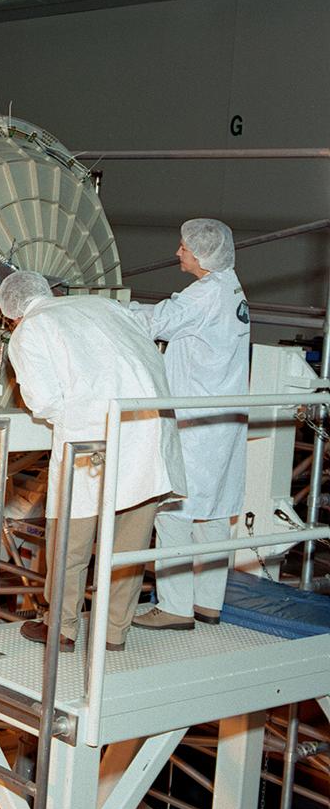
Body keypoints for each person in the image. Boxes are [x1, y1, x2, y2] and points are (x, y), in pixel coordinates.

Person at [0, 272, 186, 653]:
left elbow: (43, 401)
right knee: (130, 545)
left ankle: (62, 628)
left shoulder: (30, 330)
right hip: (152, 431)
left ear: (10, 316)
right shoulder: (106, 306)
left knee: (70, 541)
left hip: (93, 439)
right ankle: (114, 633)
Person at [130, 219, 249, 631]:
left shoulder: (203, 295)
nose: (178, 253)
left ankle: (175, 608)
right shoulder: (230, 286)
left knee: (174, 511)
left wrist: (109, 309)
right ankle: (208, 604)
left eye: (183, 248)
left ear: (201, 255)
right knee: (214, 515)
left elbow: (155, 322)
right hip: (223, 421)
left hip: (196, 423)